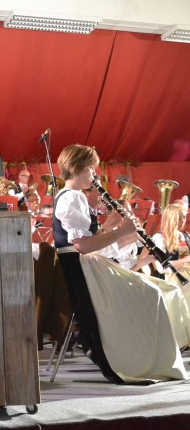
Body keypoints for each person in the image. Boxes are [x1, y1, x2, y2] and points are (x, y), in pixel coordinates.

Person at [53, 145, 187, 383]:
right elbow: (82, 245)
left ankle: (154, 357)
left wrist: (111, 227)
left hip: (88, 266)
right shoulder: (72, 197)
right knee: (152, 293)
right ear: (79, 167)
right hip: (84, 270)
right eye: (91, 169)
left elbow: (88, 240)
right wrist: (120, 232)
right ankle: (143, 360)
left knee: (158, 290)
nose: (94, 175)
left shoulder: (73, 196)